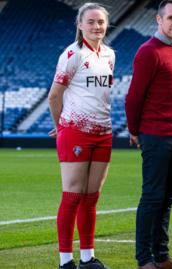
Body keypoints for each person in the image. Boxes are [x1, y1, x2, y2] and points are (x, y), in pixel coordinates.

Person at [48, 3, 114, 269]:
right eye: (91, 22)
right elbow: (54, 96)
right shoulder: (72, 54)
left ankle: (88, 258)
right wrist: (60, 126)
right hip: (75, 131)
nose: (97, 26)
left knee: (91, 196)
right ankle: (66, 262)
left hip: (104, 132)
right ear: (80, 24)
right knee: (72, 195)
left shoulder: (110, 55)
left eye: (101, 22)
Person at [124, 1, 172, 268]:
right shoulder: (148, 51)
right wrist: (134, 130)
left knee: (169, 197)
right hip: (156, 134)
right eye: (171, 18)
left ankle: (161, 256)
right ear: (158, 19)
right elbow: (133, 97)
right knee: (152, 196)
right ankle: (144, 259)